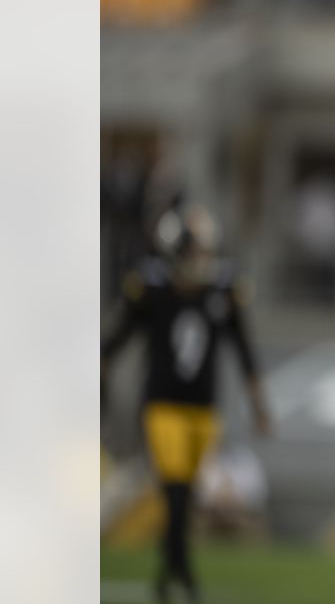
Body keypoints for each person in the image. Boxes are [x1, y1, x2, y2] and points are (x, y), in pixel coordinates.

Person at [102, 203, 272, 604]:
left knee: (186, 492)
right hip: (162, 404)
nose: (204, 260)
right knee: (175, 488)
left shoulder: (222, 291)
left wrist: (258, 401)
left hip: (203, 406)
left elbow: (243, 346)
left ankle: (168, 570)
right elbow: (118, 336)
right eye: (197, 252)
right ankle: (185, 571)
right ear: (175, 251)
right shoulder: (151, 289)